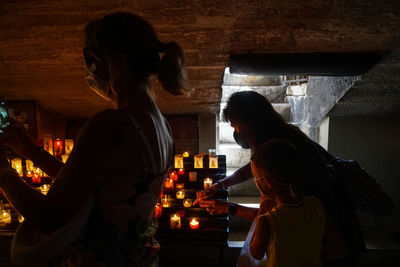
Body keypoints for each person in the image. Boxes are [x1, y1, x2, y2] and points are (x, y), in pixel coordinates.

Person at [0, 12, 186, 267]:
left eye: (91, 59)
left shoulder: (111, 125)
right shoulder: (160, 124)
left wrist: (3, 171)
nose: (89, 70)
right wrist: (31, 152)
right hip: (139, 257)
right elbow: (96, 186)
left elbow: (50, 216)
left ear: (117, 61)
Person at [196, 91, 365, 266]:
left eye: (235, 126)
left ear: (249, 122)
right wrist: (222, 184)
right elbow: (254, 168)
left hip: (323, 229)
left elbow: (266, 225)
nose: (236, 132)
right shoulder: (281, 139)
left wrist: (229, 207)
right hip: (324, 231)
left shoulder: (282, 164)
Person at [203, 139, 327, 267]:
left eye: (256, 178)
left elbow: (255, 253)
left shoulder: (266, 220)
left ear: (267, 182)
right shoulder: (316, 205)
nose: (256, 182)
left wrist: (263, 207)